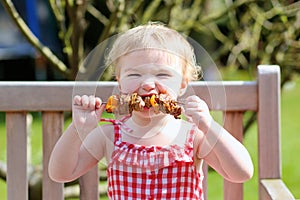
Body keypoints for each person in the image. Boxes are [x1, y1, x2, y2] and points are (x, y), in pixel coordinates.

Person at [49, 22, 253, 199]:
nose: (147, 84)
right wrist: (77, 129)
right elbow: (60, 173)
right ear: (119, 82)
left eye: (162, 74)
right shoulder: (109, 136)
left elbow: (242, 173)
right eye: (134, 74)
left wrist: (209, 126)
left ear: (182, 85)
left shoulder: (193, 136)